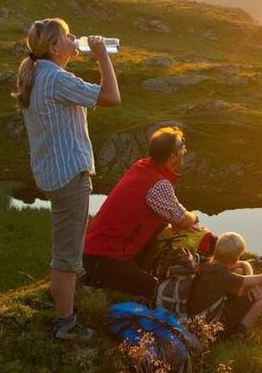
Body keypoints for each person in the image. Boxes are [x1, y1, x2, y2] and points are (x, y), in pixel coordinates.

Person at [13, 18, 121, 341]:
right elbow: (112, 97)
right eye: (68, 36)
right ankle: (66, 324)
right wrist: (102, 54)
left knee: (66, 248)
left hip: (54, 173)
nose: (75, 39)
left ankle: (63, 308)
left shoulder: (39, 74)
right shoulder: (56, 78)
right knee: (67, 256)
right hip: (69, 177)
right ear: (54, 47)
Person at [83, 127, 203, 299]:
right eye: (182, 146)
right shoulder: (158, 184)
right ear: (172, 157)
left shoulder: (141, 166)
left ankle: (138, 268)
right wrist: (194, 217)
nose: (185, 150)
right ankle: (104, 282)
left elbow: (173, 214)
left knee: (162, 225)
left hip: (96, 252)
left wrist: (180, 220)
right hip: (106, 260)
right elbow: (183, 219)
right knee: (155, 289)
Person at [187, 232, 262, 339]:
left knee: (239, 270)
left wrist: (247, 273)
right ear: (235, 258)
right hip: (211, 328)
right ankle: (239, 333)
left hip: (195, 318)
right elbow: (261, 279)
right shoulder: (224, 277)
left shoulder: (205, 264)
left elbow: (243, 264)